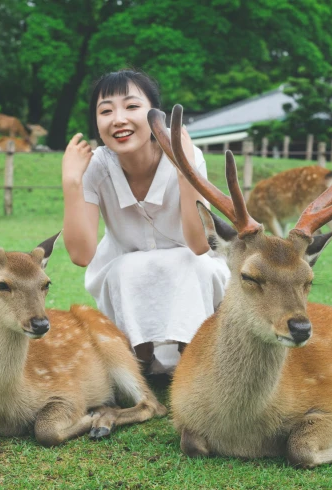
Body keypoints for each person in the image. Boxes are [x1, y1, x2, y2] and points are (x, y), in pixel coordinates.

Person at [61, 69, 229, 374]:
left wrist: (184, 170)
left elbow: (199, 244)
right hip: (124, 278)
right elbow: (81, 255)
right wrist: (72, 183)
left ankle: (192, 356)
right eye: (106, 111)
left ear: (157, 117)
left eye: (132, 106)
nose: (119, 119)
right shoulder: (97, 167)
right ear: (96, 123)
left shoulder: (188, 155)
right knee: (127, 266)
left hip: (196, 272)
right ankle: (139, 357)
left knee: (189, 263)